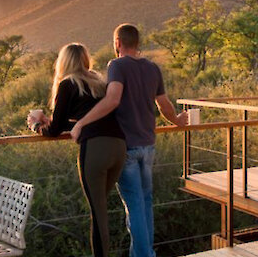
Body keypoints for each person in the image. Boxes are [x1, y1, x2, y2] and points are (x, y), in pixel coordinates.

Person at [74, 23, 188, 257]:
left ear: (117, 43)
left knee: (134, 204)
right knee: (145, 202)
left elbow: (113, 99)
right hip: (149, 145)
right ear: (137, 43)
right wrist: (177, 120)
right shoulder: (152, 68)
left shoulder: (116, 65)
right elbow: (163, 103)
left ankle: (145, 255)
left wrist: (82, 122)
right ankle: (145, 253)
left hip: (126, 146)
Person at [29, 43, 126, 257]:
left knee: (98, 213)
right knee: (101, 208)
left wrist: (36, 125)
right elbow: (82, 120)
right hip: (119, 147)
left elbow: (54, 131)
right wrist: (52, 121)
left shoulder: (67, 84)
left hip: (96, 149)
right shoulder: (98, 82)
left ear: (62, 62)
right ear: (85, 59)